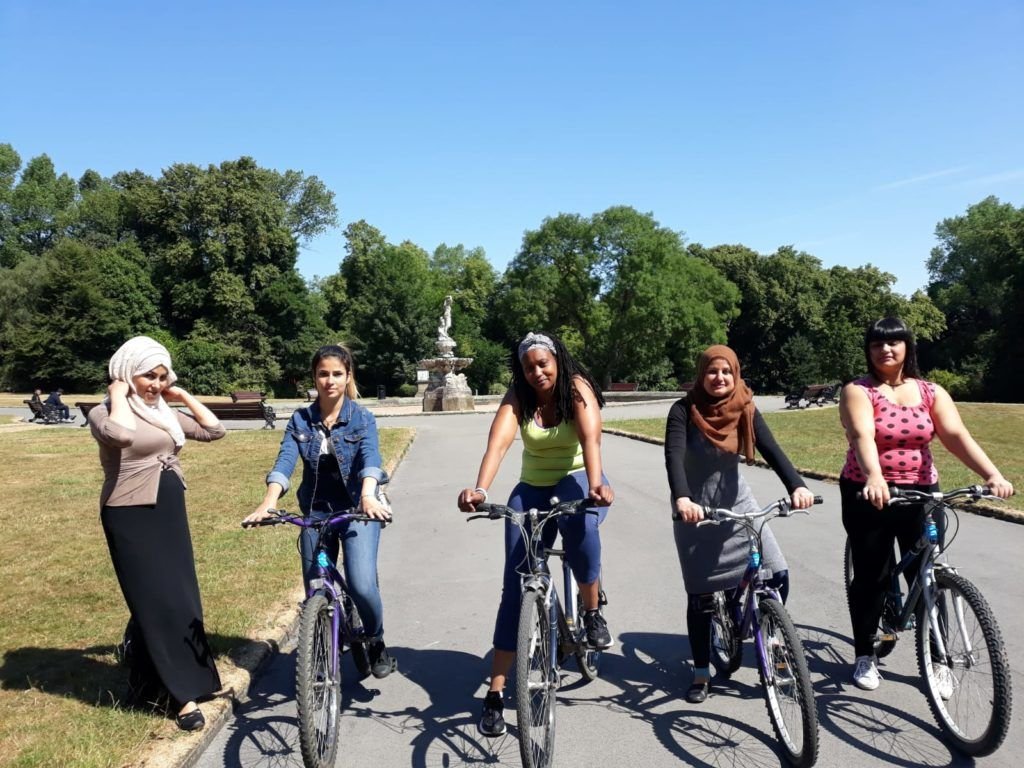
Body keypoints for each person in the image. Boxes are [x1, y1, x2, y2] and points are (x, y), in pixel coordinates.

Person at [839, 317, 1014, 691]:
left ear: (907, 347)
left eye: (894, 342)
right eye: (877, 344)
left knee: (927, 574)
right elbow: (862, 434)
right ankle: (865, 655)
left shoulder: (931, 391)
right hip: (868, 491)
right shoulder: (858, 390)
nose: (885, 350)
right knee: (872, 576)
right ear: (869, 351)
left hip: (921, 490)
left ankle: (938, 659)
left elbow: (955, 434)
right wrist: (874, 476)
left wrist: (993, 475)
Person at [457, 331, 615, 737]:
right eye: (529, 367)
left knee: (578, 526)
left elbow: (591, 438)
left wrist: (596, 483)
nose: (537, 372)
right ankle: (495, 694)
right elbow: (498, 443)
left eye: (543, 363)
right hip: (533, 485)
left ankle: (592, 611)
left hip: (578, 476)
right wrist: (480, 489)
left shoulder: (576, 387)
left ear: (557, 361)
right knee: (515, 583)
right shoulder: (520, 396)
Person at [88, 336, 226, 731]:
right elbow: (120, 437)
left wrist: (180, 394)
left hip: (168, 512)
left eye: (162, 376)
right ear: (127, 372)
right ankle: (179, 699)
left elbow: (214, 431)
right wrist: (117, 392)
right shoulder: (103, 412)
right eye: (149, 375)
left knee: (182, 598)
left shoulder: (161, 411)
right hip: (129, 515)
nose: (156, 383)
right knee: (155, 603)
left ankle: (184, 681)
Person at [665, 344, 814, 704]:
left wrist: (797, 484)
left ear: (736, 373)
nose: (720, 378)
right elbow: (673, 455)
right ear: (701, 375)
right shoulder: (684, 410)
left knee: (776, 575)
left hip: (738, 502)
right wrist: (683, 498)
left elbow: (771, 448)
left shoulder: (744, 405)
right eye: (712, 372)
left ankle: (772, 642)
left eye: (726, 372)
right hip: (696, 509)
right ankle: (702, 671)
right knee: (701, 597)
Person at [243, 344, 396, 679]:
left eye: (337, 374)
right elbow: (285, 460)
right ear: (314, 377)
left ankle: (375, 638)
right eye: (323, 374)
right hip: (315, 512)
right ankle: (324, 635)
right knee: (315, 584)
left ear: (348, 376)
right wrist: (269, 502)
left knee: (361, 582)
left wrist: (368, 496)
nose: (330, 381)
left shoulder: (361, 418)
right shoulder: (301, 419)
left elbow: (370, 458)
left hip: (358, 508)